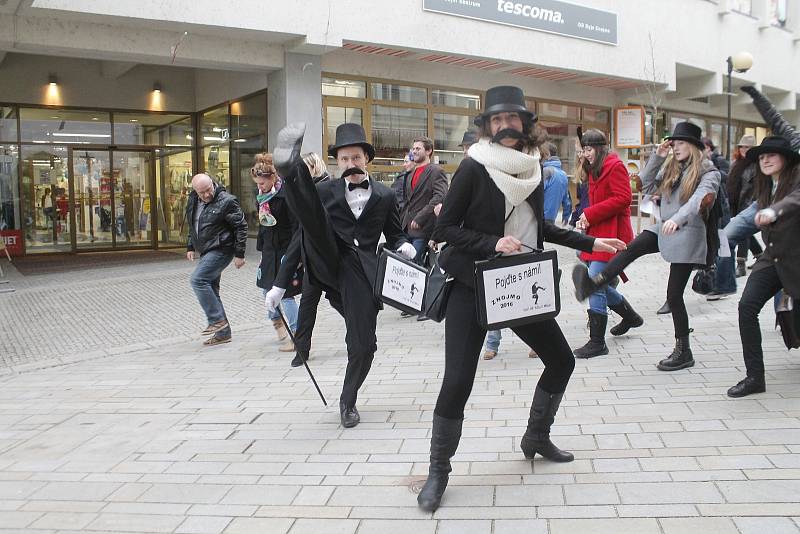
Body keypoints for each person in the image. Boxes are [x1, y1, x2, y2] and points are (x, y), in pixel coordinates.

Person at [417, 85, 625, 512]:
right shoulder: (475, 168)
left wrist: (592, 240)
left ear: (525, 124)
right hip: (471, 287)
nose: (504, 125)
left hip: (517, 286)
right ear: (487, 127)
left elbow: (539, 228)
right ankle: (438, 471)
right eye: (496, 120)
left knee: (562, 360)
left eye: (512, 118)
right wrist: (492, 242)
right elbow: (443, 231)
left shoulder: (530, 169)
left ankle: (536, 436)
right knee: (458, 380)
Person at [267, 122, 415, 428]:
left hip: (360, 274)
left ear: (366, 159)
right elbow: (300, 239)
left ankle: (348, 400)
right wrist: (280, 284)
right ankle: (290, 171)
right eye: (344, 159)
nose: (350, 164)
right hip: (327, 259)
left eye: (356, 158)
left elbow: (396, 234)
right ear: (337, 162)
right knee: (315, 222)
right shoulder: (324, 190)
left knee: (364, 345)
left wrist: (404, 247)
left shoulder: (385, 196)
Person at [572, 122, 721, 372]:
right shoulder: (672, 167)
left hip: (687, 233)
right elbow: (644, 185)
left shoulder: (709, 172)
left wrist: (677, 218)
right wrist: (657, 156)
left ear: (695, 147)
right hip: (664, 227)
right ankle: (594, 283)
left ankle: (684, 350)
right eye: (674, 144)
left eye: (681, 143)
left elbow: (698, 200)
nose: (676, 147)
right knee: (632, 247)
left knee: (673, 297)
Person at [727, 136, 800, 397]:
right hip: (773, 257)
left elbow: (796, 199)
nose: (765, 160)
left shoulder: (797, 177)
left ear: (786, 158)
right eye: (761, 157)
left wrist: (775, 211)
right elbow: (743, 220)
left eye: (771, 155)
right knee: (747, 306)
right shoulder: (764, 185)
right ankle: (754, 377)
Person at [572, 129, 642, 359]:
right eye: (583, 150)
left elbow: (623, 199)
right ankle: (631, 317)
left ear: (599, 148)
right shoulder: (594, 168)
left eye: (588, 149)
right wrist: (585, 218)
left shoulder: (615, 166)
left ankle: (597, 342)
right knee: (598, 284)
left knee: (594, 282)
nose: (585, 154)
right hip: (598, 232)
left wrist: (590, 214)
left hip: (614, 234)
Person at [274, 153, 332, 368]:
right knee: (308, 304)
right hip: (313, 260)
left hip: (334, 260)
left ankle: (360, 338)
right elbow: (300, 231)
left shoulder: (327, 189)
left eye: (303, 169)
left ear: (314, 167)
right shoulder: (302, 193)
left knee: (345, 305)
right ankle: (302, 348)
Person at [186, 173, 248, 346]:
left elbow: (241, 227)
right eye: (202, 193)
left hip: (222, 248)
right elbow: (193, 225)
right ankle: (223, 334)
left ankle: (216, 320)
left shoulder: (227, 201)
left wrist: (240, 254)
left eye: (208, 190)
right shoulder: (193, 201)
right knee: (211, 288)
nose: (207, 195)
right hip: (206, 250)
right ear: (195, 192)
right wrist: (190, 246)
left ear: (213, 184)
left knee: (198, 280)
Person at [252, 153, 299, 352]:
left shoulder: (286, 195)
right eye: (257, 184)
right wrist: (261, 249)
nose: (259, 187)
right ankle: (277, 322)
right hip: (270, 251)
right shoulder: (262, 197)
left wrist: (296, 255)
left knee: (285, 294)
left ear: (273, 178)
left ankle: (298, 334)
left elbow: (297, 225)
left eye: (262, 183)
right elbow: (263, 226)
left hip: (286, 250)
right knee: (265, 289)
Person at [541, 142, 571, 225]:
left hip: (540, 218)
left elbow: (536, 195)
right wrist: (566, 216)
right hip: (551, 219)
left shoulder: (546, 171)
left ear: (547, 154)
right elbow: (567, 200)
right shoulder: (563, 174)